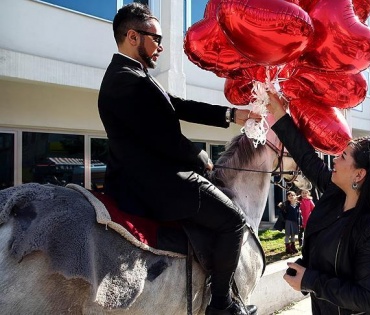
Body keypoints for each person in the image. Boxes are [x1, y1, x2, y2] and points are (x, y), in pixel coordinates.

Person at [97, 4, 259, 315]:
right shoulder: (128, 80)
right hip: (157, 184)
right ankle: (221, 306)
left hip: (149, 177)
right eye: (155, 38)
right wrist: (201, 157)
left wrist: (231, 114)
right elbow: (164, 139)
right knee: (235, 222)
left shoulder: (130, 74)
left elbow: (175, 105)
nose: (160, 46)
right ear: (132, 36)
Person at [267, 92, 370, 314]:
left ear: (359, 175)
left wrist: (310, 280)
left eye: (344, 156)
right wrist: (279, 113)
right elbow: (306, 157)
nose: (335, 159)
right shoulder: (334, 194)